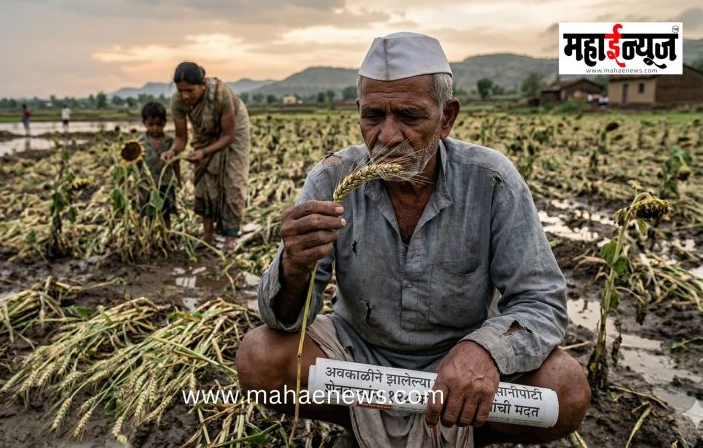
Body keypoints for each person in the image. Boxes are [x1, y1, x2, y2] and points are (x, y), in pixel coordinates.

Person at [237, 32, 590, 447]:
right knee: (260, 358)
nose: (387, 136)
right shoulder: (332, 179)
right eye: (373, 116)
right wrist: (294, 267)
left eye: (408, 115)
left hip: (458, 363)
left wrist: (486, 351)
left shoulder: (492, 181)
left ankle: (462, 428)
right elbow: (283, 322)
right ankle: (363, 424)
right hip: (360, 360)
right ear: (358, 113)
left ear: (447, 117)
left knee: (564, 390)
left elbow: (541, 299)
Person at [164, 61, 251, 252]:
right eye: (181, 90)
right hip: (205, 133)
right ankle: (208, 236)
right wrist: (172, 151)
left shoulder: (221, 95)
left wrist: (204, 152)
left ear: (202, 85)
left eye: (190, 90)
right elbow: (181, 138)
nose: (185, 95)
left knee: (233, 180)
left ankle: (230, 236)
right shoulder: (178, 101)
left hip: (234, 129)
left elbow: (228, 136)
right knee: (204, 180)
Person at [138, 101, 179, 227]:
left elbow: (176, 162)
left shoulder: (170, 142)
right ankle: (150, 237)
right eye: (151, 124)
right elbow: (137, 164)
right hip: (147, 185)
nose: (155, 128)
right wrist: (137, 181)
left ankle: (166, 235)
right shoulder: (140, 143)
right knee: (148, 212)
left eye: (159, 124)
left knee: (165, 212)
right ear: (144, 123)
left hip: (165, 184)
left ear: (165, 123)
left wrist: (179, 179)